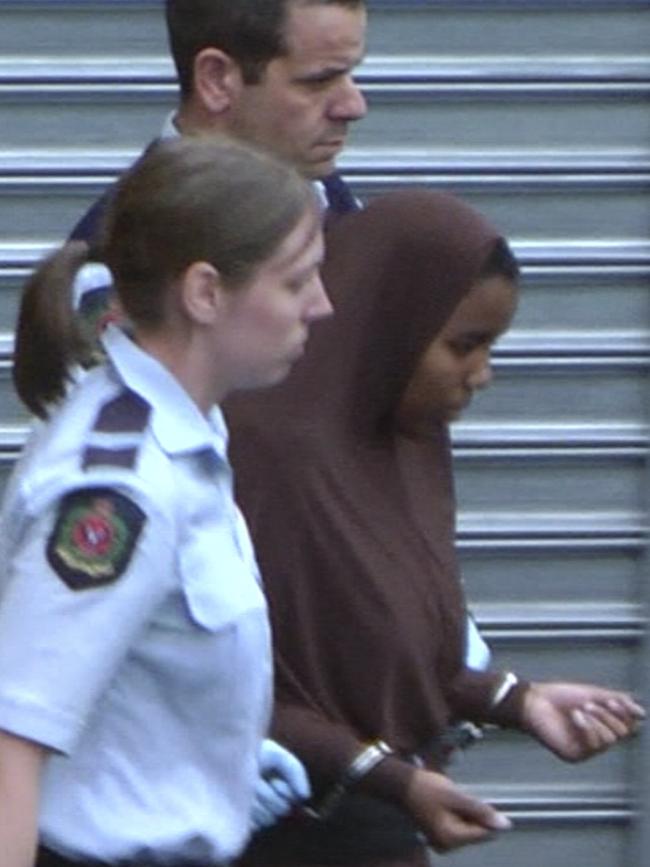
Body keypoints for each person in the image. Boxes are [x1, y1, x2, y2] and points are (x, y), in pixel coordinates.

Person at [223, 189, 645, 867]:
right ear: (388, 328)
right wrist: (395, 780)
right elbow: (230, 686)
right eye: (463, 346)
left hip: (380, 828)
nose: (483, 374)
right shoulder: (270, 459)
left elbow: (396, 651)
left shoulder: (404, 446)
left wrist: (517, 700)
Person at [0, 135, 332, 867]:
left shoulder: (184, 433)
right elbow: (13, 738)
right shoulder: (120, 489)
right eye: (297, 281)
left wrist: (216, 755)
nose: (322, 305)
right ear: (206, 292)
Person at [70, 0, 368, 245]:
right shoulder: (118, 264)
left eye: (350, 74)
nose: (354, 106)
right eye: (318, 81)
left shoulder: (334, 207)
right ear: (216, 80)